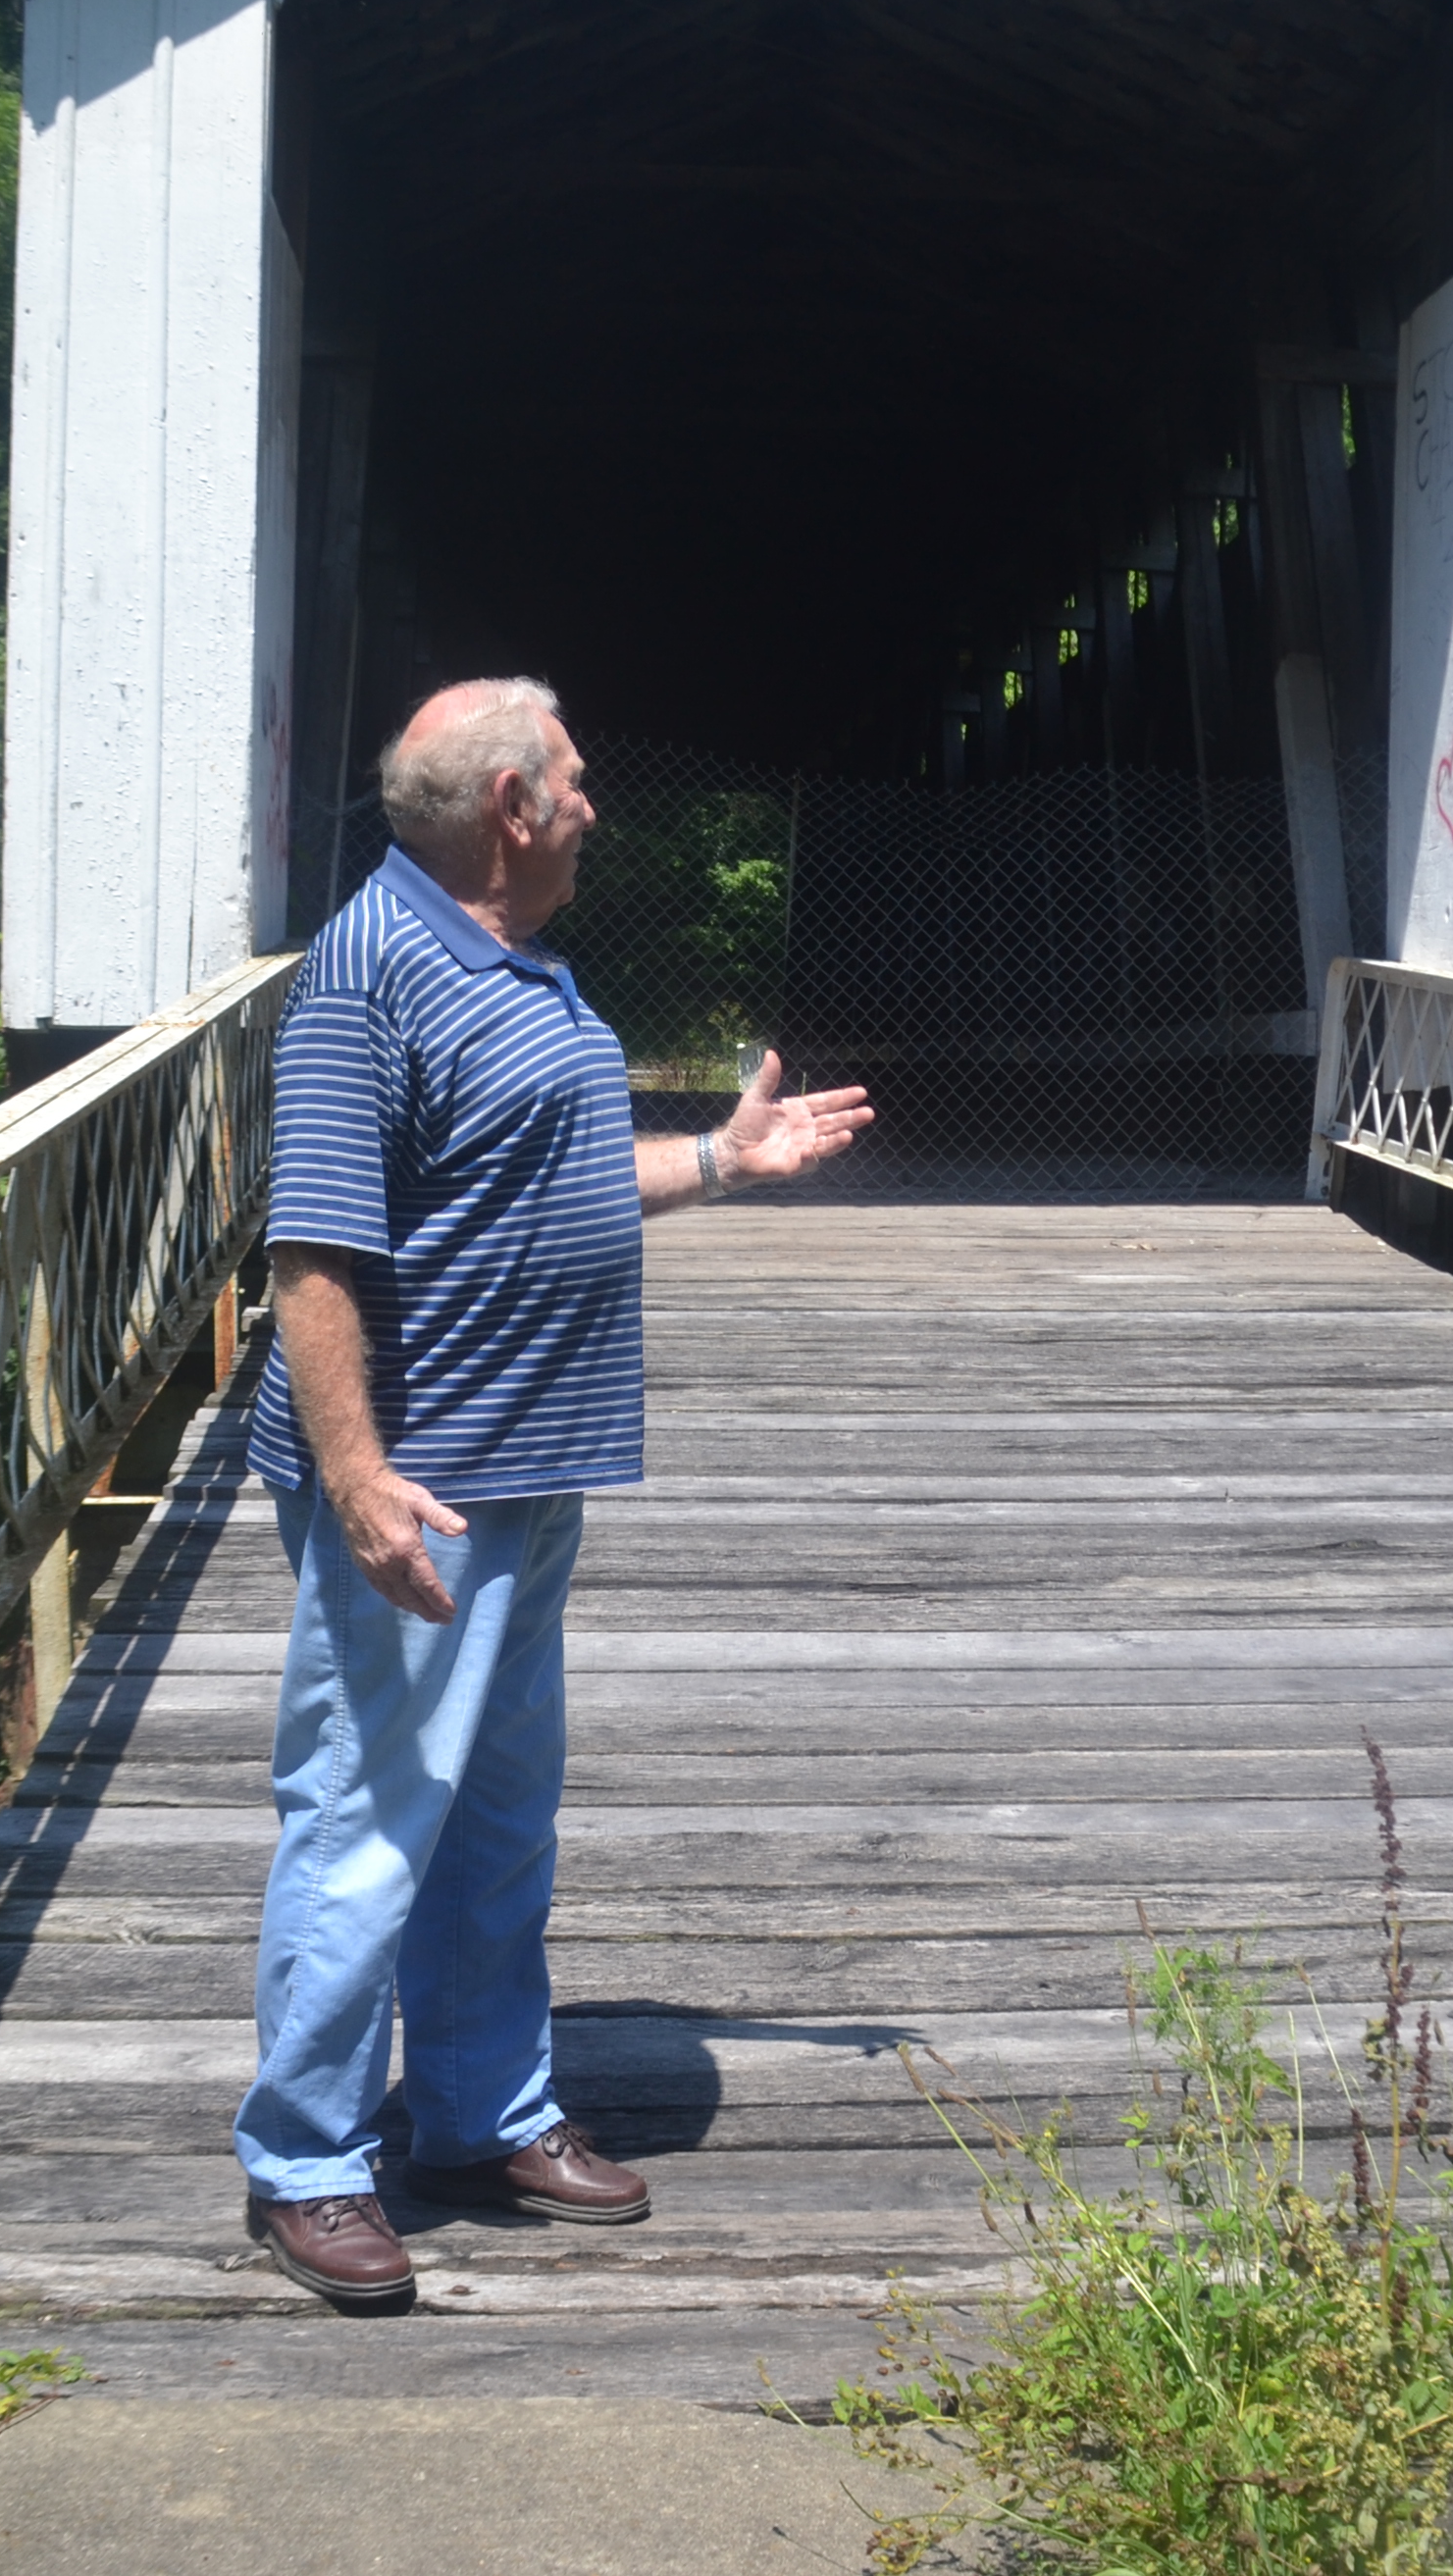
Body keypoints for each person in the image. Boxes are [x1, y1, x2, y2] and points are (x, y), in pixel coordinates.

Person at [234, 677, 871, 2315]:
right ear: (512, 807)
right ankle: (306, 2159)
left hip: (531, 1468)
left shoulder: (513, 964)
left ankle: (479, 2114)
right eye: (577, 780)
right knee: (370, 1819)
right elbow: (312, 1249)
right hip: (427, 1491)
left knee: (497, 1826)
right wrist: (360, 1478)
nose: (597, 802)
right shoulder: (368, 973)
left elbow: (556, 1173)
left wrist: (726, 1161)